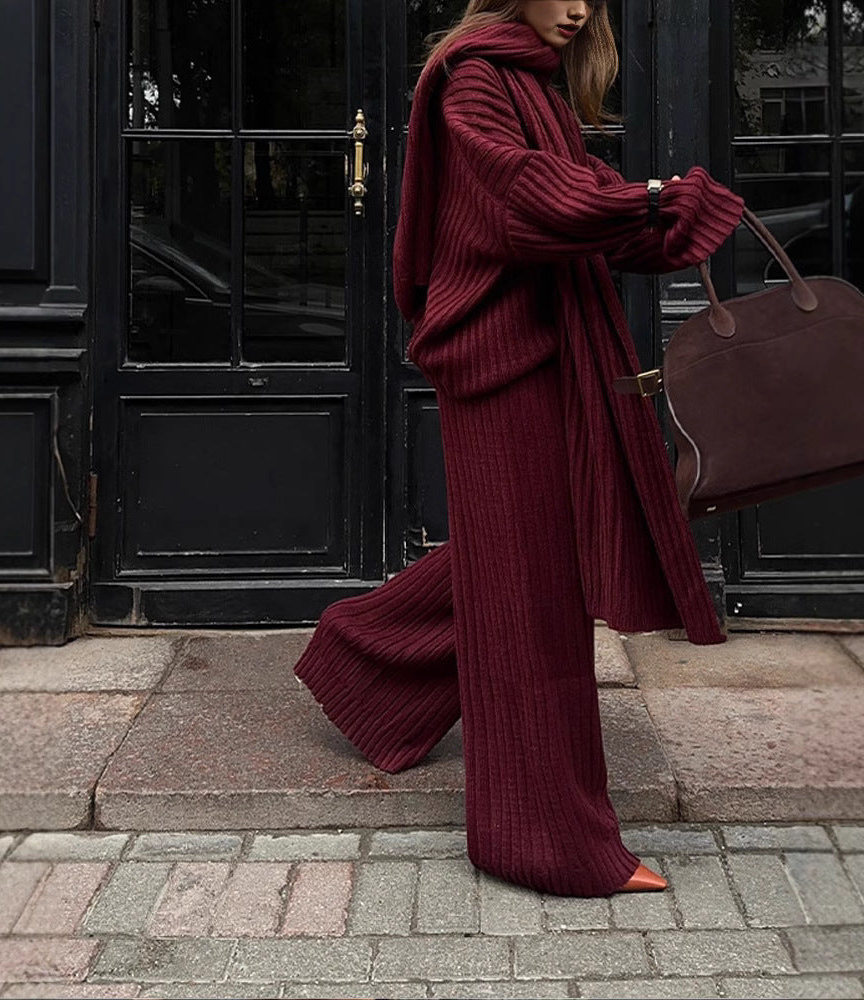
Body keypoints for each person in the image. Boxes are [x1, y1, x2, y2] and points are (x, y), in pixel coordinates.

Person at [294, 0, 744, 897]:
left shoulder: (528, 76)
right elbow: (525, 204)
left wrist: (659, 219)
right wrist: (653, 199)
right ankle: (540, 837)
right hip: (503, 359)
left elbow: (574, 221)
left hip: (546, 350)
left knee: (529, 560)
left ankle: (362, 657)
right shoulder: (474, 79)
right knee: (533, 594)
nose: (579, 7)